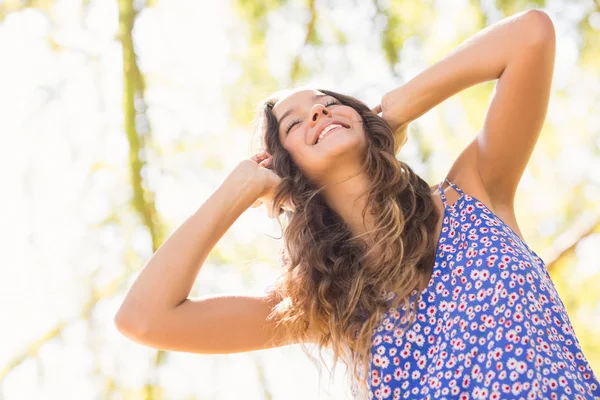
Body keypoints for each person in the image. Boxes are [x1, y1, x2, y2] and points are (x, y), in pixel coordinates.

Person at [114, 9, 600, 399]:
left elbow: (531, 35)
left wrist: (398, 105)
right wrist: (236, 190)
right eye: (294, 123)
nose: (318, 111)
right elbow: (143, 319)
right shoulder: (323, 307)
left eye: (326, 101)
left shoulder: (473, 193)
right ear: (286, 169)